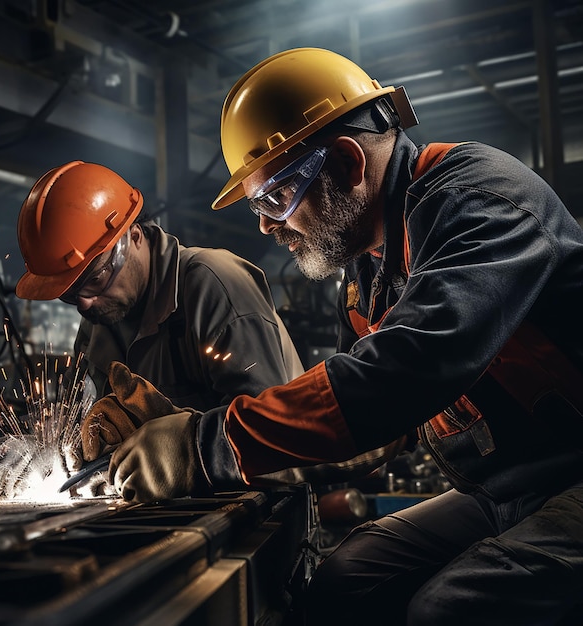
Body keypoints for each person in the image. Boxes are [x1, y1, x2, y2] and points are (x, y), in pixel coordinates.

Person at [81, 47, 583, 625]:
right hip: (504, 492)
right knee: (347, 579)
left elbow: (400, 376)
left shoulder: (478, 203)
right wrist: (188, 432)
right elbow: (372, 432)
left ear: (347, 163)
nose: (268, 226)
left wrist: (205, 445)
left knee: (451, 607)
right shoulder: (370, 271)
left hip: (574, 477)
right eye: (257, 208)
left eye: (276, 198)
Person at [14, 160, 305, 476]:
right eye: (70, 295)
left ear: (134, 236)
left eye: (95, 279)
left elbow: (270, 434)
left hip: (271, 508)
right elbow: (101, 438)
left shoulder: (213, 284)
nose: (84, 305)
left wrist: (183, 440)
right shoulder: (97, 325)